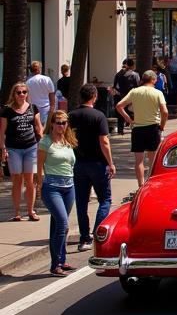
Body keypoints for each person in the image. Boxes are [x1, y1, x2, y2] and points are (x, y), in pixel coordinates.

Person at [68, 83, 115, 250]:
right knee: (105, 199)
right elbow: (104, 141)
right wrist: (110, 162)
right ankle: (97, 233)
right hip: (97, 163)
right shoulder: (98, 116)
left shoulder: (71, 115)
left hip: (78, 163)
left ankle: (84, 238)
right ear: (94, 96)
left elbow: (67, 139)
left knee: (81, 202)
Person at [36, 111, 77, 277]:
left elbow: (71, 165)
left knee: (58, 226)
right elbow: (39, 167)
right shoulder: (45, 142)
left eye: (65, 122)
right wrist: (40, 186)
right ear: (52, 124)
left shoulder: (68, 141)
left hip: (69, 186)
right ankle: (55, 265)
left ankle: (61, 260)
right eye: (59, 122)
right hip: (51, 186)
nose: (62, 126)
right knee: (63, 224)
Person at [116, 70, 169, 186]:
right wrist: (162, 125)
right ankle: (152, 182)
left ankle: (140, 184)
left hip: (138, 128)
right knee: (153, 160)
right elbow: (165, 112)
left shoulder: (134, 92)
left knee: (139, 160)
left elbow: (119, 106)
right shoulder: (157, 93)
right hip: (153, 127)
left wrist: (129, 119)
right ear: (153, 80)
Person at [1, 82, 44, 221]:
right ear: (14, 94)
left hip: (31, 147)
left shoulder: (33, 108)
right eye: (18, 92)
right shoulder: (7, 110)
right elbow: (2, 133)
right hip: (13, 149)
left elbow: (39, 128)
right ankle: (17, 212)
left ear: (27, 94)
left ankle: (31, 211)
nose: (21, 95)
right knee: (17, 180)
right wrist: (3, 149)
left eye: (24, 92)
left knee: (30, 180)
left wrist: (42, 145)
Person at [111, 58, 140, 135]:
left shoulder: (118, 74)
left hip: (120, 96)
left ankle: (120, 130)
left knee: (120, 113)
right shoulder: (135, 75)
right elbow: (137, 86)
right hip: (131, 96)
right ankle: (133, 126)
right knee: (133, 112)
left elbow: (115, 86)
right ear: (132, 65)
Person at [26, 60, 56, 126]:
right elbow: (52, 95)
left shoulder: (27, 82)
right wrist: (52, 109)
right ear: (39, 69)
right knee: (45, 131)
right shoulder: (47, 79)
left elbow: (27, 98)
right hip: (46, 109)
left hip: (33, 109)